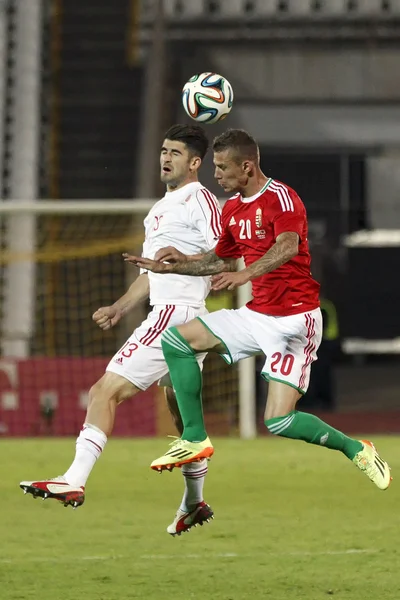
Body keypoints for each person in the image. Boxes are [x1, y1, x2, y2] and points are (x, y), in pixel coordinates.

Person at [125, 128, 392, 491]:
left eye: (222, 167)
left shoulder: (281, 198)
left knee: (279, 422)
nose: (215, 174)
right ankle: (194, 438)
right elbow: (218, 260)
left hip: (295, 321)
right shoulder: (232, 208)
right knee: (177, 342)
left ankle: (356, 449)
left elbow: (289, 246)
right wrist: (174, 265)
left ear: (247, 167)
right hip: (256, 315)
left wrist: (246, 273)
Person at [20, 124, 226, 535]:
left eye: (175, 153)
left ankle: (74, 480)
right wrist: (119, 306)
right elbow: (152, 273)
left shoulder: (200, 200)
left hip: (175, 316)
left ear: (196, 162)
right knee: (181, 415)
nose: (165, 158)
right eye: (163, 150)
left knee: (103, 391)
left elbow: (223, 258)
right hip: (177, 313)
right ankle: (194, 501)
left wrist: (179, 262)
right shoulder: (160, 209)